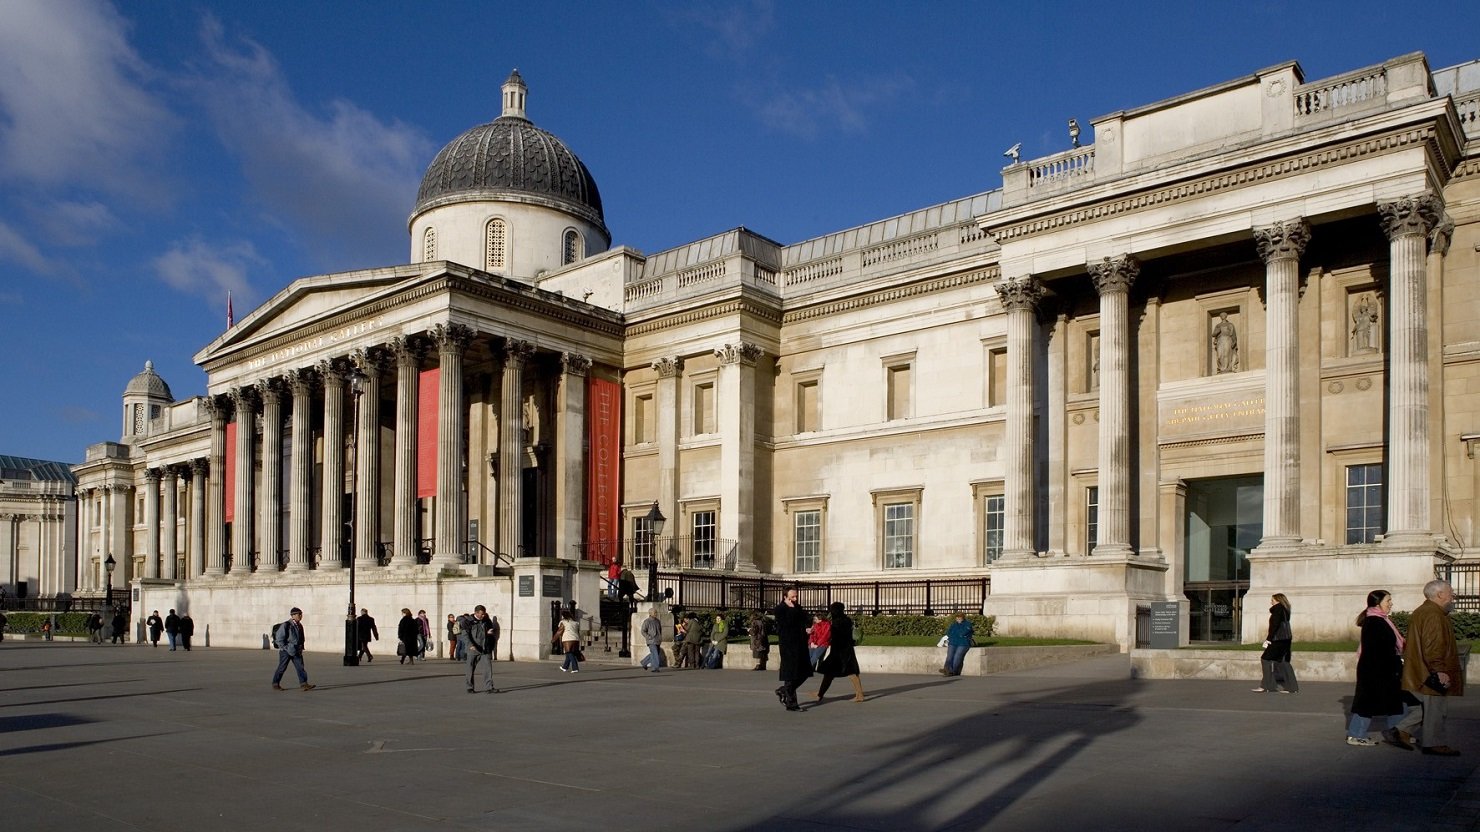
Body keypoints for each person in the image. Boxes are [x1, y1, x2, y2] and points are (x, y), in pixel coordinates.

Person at [1393, 580, 1465, 756]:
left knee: (1429, 708)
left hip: (1421, 670)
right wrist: (1439, 670)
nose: (1453, 595)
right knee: (1437, 709)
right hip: (1429, 672)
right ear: (1440, 595)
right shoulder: (1433, 614)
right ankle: (1434, 743)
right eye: (1450, 592)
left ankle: (1401, 730)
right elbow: (1432, 645)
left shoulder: (1425, 611)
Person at [1345, 590, 1411, 748]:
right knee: (1367, 704)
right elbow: (1378, 649)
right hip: (1376, 671)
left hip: (1382, 669)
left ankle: (1397, 732)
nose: (1391, 603)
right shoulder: (1375, 622)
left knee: (1396, 702)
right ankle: (1356, 734)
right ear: (1377, 603)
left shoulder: (1380, 620)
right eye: (1388, 600)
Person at [814, 602, 865, 703]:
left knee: (831, 673)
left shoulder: (836, 622)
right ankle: (820, 694)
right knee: (850, 672)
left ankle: (820, 694)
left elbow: (834, 636)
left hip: (838, 651)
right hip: (847, 649)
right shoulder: (847, 620)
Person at [773, 588, 812, 711]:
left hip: (800, 643)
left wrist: (807, 628)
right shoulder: (780, 609)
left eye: (796, 597)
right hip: (788, 645)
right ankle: (792, 703)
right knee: (791, 674)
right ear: (785, 597)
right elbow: (786, 624)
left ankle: (784, 691)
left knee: (805, 671)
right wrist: (791, 609)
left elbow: (806, 619)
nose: (795, 599)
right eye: (792, 597)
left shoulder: (797, 607)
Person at [1253, 593, 1298, 693]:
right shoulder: (1285, 609)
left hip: (1278, 640)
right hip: (1286, 639)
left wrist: (1268, 639)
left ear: (1277, 600)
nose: (1271, 601)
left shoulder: (1277, 609)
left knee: (1265, 659)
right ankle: (1292, 687)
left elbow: (1275, 626)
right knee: (1282, 662)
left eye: (1272, 599)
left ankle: (1268, 686)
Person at [270, 607, 314, 691]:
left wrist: (301, 647)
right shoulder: (286, 625)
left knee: (300, 667)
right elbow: (279, 638)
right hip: (286, 651)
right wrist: (285, 648)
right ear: (293, 615)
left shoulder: (299, 625)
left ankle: (304, 684)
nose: (301, 616)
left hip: (297, 650)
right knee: (282, 667)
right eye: (299, 614)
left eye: (301, 614)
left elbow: (301, 638)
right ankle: (275, 684)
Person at [461, 605, 499, 693]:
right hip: (473, 649)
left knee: (487, 668)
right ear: (476, 613)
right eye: (481, 614)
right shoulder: (467, 622)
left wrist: (489, 633)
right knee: (470, 668)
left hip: (485, 648)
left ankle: (489, 687)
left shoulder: (486, 620)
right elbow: (465, 635)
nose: (483, 616)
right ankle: (469, 687)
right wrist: (470, 645)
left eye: (484, 614)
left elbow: (490, 631)